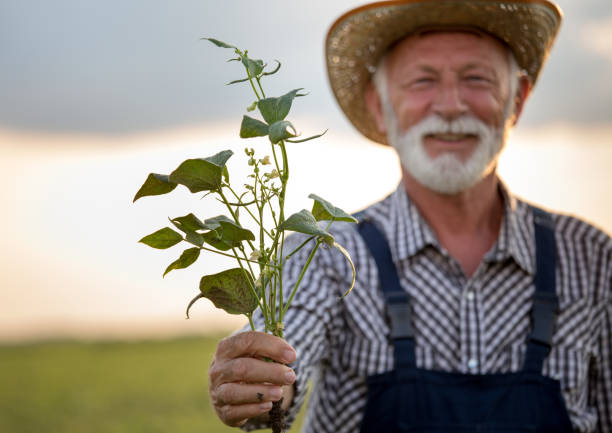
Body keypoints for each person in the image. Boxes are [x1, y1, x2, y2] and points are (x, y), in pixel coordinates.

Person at [208, 1, 612, 432]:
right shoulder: (323, 251)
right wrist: (257, 381)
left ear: (518, 98)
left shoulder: (591, 258)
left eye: (476, 79)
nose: (451, 105)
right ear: (379, 106)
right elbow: (280, 380)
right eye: (423, 81)